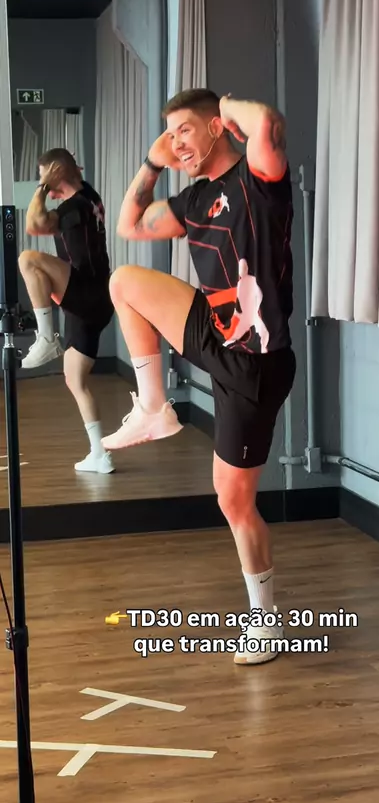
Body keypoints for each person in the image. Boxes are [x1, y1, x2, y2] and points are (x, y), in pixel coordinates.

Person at [102, 89, 296, 664]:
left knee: (233, 501)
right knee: (124, 280)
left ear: (216, 128)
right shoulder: (193, 200)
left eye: (185, 130)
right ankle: (154, 407)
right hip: (216, 330)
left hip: (256, 361)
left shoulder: (258, 181)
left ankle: (266, 624)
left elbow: (268, 124)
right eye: (171, 133)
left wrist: (229, 106)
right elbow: (128, 224)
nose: (177, 142)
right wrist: (153, 161)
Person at [19, 148, 115, 475]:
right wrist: (64, 172)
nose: (47, 189)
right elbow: (71, 179)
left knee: (28, 259)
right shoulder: (89, 195)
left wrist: (43, 186)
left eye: (47, 178)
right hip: (93, 303)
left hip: (87, 293)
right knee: (75, 380)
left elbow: (34, 225)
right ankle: (100, 454)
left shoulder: (74, 207)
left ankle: (46, 337)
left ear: (56, 176)